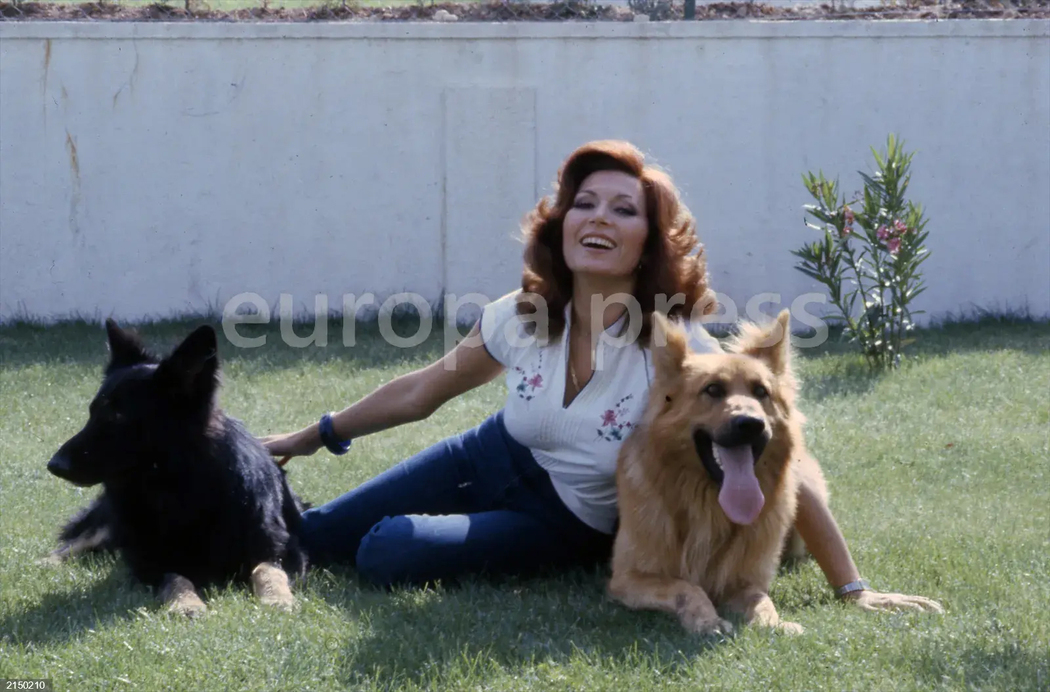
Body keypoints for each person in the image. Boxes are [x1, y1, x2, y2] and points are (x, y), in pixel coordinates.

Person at [261, 140, 942, 614]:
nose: (600, 219)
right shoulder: (520, 315)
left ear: (651, 241)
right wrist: (313, 434)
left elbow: (782, 462)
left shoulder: (676, 353)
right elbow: (421, 391)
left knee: (386, 551)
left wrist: (852, 587)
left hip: (567, 516)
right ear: (562, 224)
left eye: (625, 210)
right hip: (490, 453)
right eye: (586, 203)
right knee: (315, 536)